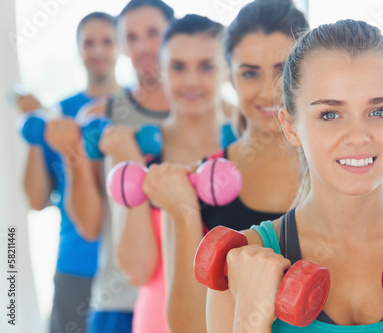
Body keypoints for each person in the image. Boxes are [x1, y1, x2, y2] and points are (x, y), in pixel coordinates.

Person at [139, 1, 383, 332]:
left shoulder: (360, 174)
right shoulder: (201, 185)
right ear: (231, 76)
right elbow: (188, 326)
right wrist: (184, 214)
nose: (273, 90)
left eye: (283, 70)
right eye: (250, 72)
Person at [207, 19, 383, 332]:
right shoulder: (241, 265)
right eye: (330, 114)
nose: (358, 136)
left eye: (379, 111)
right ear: (290, 127)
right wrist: (252, 317)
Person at [44, 1, 174, 332]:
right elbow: (88, 226)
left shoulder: (212, 115)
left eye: (153, 34)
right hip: (118, 303)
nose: (143, 46)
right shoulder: (98, 115)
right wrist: (72, 153)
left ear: (173, 35)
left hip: (188, 297)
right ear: (121, 45)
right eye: (131, 37)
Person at [117, 14, 227, 333]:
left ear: (227, 69)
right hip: (155, 323)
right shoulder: (138, 152)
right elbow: (137, 272)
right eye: (178, 67)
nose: (191, 80)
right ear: (162, 71)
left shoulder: (244, 151)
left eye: (206, 66)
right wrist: (133, 165)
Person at [18, 12, 119, 333]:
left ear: (119, 48)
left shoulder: (137, 109)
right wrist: (39, 129)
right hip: (75, 262)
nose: (98, 50)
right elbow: (36, 200)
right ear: (79, 50)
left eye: (106, 41)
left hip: (127, 267)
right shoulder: (59, 112)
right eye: (89, 42)